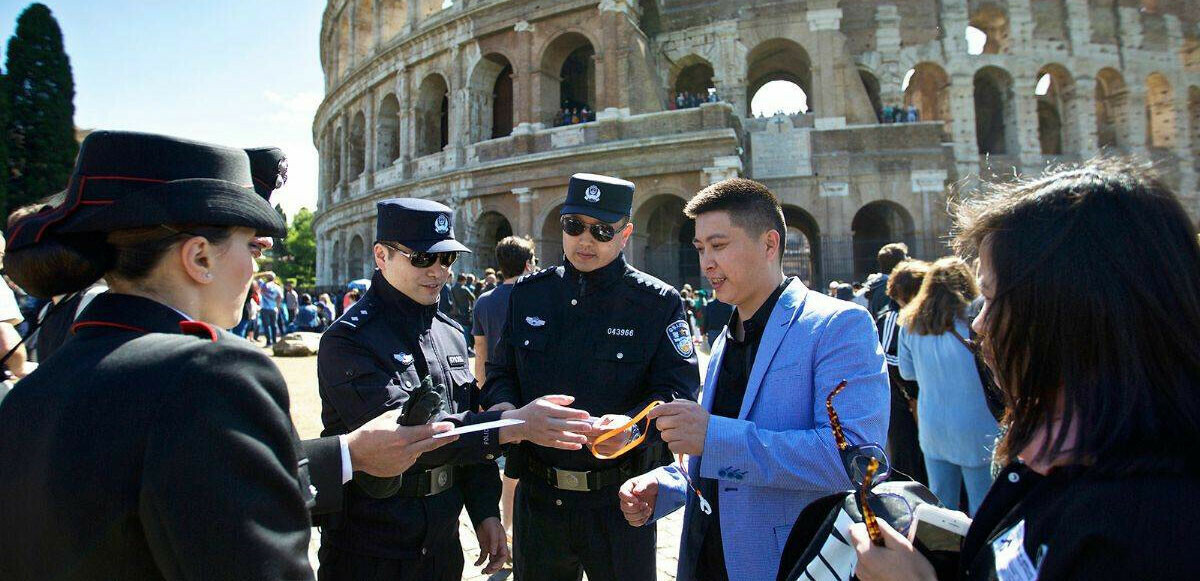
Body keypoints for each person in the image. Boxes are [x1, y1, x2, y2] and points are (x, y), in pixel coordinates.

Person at [0, 131, 457, 580]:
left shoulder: (32, 389)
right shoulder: (212, 373)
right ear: (200, 258)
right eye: (250, 247)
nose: (255, 269)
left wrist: (349, 454)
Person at [853, 160, 1200, 579]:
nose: (979, 324)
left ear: (1070, 311)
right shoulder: (1063, 449)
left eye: (993, 299)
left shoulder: (1153, 529)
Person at [617, 177, 889, 581]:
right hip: (704, 559)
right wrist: (669, 485)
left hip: (781, 562)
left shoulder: (838, 324)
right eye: (701, 248)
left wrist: (712, 437)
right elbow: (720, 452)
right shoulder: (727, 336)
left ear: (769, 244)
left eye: (719, 245)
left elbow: (855, 463)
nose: (706, 263)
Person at [316, 198, 593, 580]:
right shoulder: (349, 340)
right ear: (381, 256)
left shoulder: (447, 331)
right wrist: (514, 424)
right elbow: (407, 442)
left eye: (447, 260)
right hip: (373, 542)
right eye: (422, 259)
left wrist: (484, 512)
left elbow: (468, 425)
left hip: (442, 544)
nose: (438, 271)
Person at [482, 173, 700, 581]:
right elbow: (499, 373)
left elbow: (678, 391)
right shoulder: (529, 294)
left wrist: (633, 428)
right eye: (573, 226)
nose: (585, 240)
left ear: (625, 234)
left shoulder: (657, 302)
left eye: (601, 231)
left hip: (618, 504)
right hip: (540, 499)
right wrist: (513, 415)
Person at [897, 257, 999, 515]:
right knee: (983, 507)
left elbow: (907, 373)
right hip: (977, 426)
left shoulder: (910, 323)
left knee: (940, 508)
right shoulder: (975, 321)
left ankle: (942, 555)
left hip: (933, 425)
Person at [472, 235, 538, 550]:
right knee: (528, 466)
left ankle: (507, 528)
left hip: (498, 395)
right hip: (531, 392)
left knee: (509, 468)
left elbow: (480, 354)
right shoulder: (536, 296)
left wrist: (484, 397)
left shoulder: (484, 301)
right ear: (528, 264)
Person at [877, 259, 930, 485]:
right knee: (909, 458)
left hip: (912, 399)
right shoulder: (894, 318)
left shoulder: (919, 317)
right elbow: (889, 359)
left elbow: (889, 359)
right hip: (906, 401)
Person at [867, 242, 909, 317]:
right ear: (899, 264)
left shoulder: (877, 284)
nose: (909, 260)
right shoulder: (890, 287)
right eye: (905, 258)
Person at [257, 272, 283, 346]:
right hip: (273, 308)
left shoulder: (263, 285)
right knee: (274, 325)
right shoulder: (277, 287)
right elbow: (280, 297)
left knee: (266, 325)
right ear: (274, 278)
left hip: (264, 308)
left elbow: (256, 278)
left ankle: (268, 341)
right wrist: (277, 307)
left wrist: (264, 274)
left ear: (267, 278)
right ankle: (274, 341)